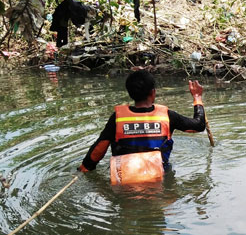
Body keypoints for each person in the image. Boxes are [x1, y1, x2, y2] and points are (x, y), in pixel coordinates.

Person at [78, 70, 206, 184]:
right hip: (159, 179)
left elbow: (99, 149)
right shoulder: (167, 116)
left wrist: (85, 167)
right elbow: (199, 125)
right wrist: (197, 97)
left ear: (130, 93)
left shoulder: (117, 118)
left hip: (124, 182)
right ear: (153, 92)